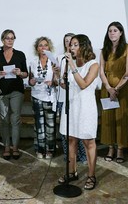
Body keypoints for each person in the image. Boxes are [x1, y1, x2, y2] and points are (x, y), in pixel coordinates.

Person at [53, 34, 99, 190]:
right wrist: (59, 76)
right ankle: (72, 172)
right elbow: (68, 86)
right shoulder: (68, 63)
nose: (71, 48)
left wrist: (72, 66)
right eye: (70, 45)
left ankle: (92, 175)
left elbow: (84, 84)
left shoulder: (93, 64)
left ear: (84, 46)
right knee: (71, 139)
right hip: (71, 106)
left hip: (85, 108)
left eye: (75, 45)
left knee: (88, 142)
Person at [0, 29, 28, 160]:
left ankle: (15, 147)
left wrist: (20, 73)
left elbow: (26, 74)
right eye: (7, 38)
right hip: (0, 91)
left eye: (12, 38)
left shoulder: (20, 55)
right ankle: (6, 147)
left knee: (15, 119)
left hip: (16, 90)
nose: (10, 40)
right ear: (2, 40)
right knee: (4, 119)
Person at [56, 33, 87, 164]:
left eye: (72, 42)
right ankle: (69, 157)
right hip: (64, 98)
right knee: (66, 131)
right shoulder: (61, 58)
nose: (69, 45)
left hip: (77, 99)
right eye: (67, 42)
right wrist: (57, 74)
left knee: (77, 130)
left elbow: (82, 83)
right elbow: (63, 82)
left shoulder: (81, 60)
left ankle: (82, 156)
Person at [100, 21, 128, 164]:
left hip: (122, 90)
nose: (112, 33)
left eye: (115, 30)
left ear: (121, 33)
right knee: (108, 120)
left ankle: (120, 150)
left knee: (120, 120)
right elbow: (101, 72)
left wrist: (116, 89)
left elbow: (127, 73)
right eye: (110, 30)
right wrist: (109, 88)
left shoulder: (127, 49)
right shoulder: (104, 50)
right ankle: (110, 148)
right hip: (107, 89)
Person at [28, 36, 57, 159]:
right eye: (40, 45)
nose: (43, 47)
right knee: (39, 125)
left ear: (49, 47)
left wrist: (53, 82)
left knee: (50, 125)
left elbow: (57, 80)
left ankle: (50, 149)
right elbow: (29, 80)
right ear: (37, 48)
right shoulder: (33, 62)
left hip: (50, 97)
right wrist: (32, 81)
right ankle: (40, 149)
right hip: (36, 96)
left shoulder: (54, 61)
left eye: (45, 45)